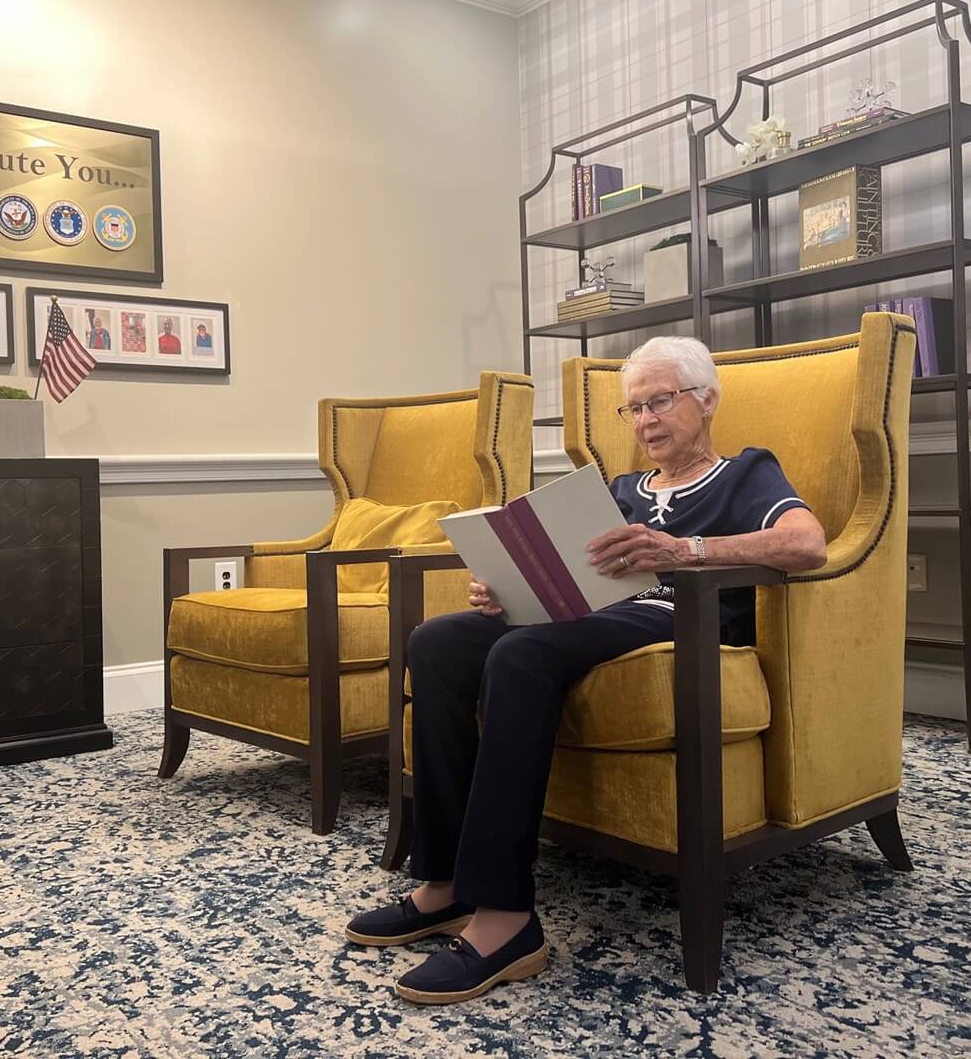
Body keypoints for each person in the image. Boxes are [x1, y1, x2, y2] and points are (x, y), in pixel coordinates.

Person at [346, 335, 828, 1005]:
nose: (647, 420)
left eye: (660, 401)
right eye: (635, 409)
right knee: (438, 641)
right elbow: (567, 575)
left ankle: (506, 918)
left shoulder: (747, 473)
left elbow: (807, 543)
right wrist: (506, 590)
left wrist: (684, 550)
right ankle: (446, 883)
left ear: (707, 399)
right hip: (593, 616)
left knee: (520, 653)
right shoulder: (619, 489)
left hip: (678, 616)